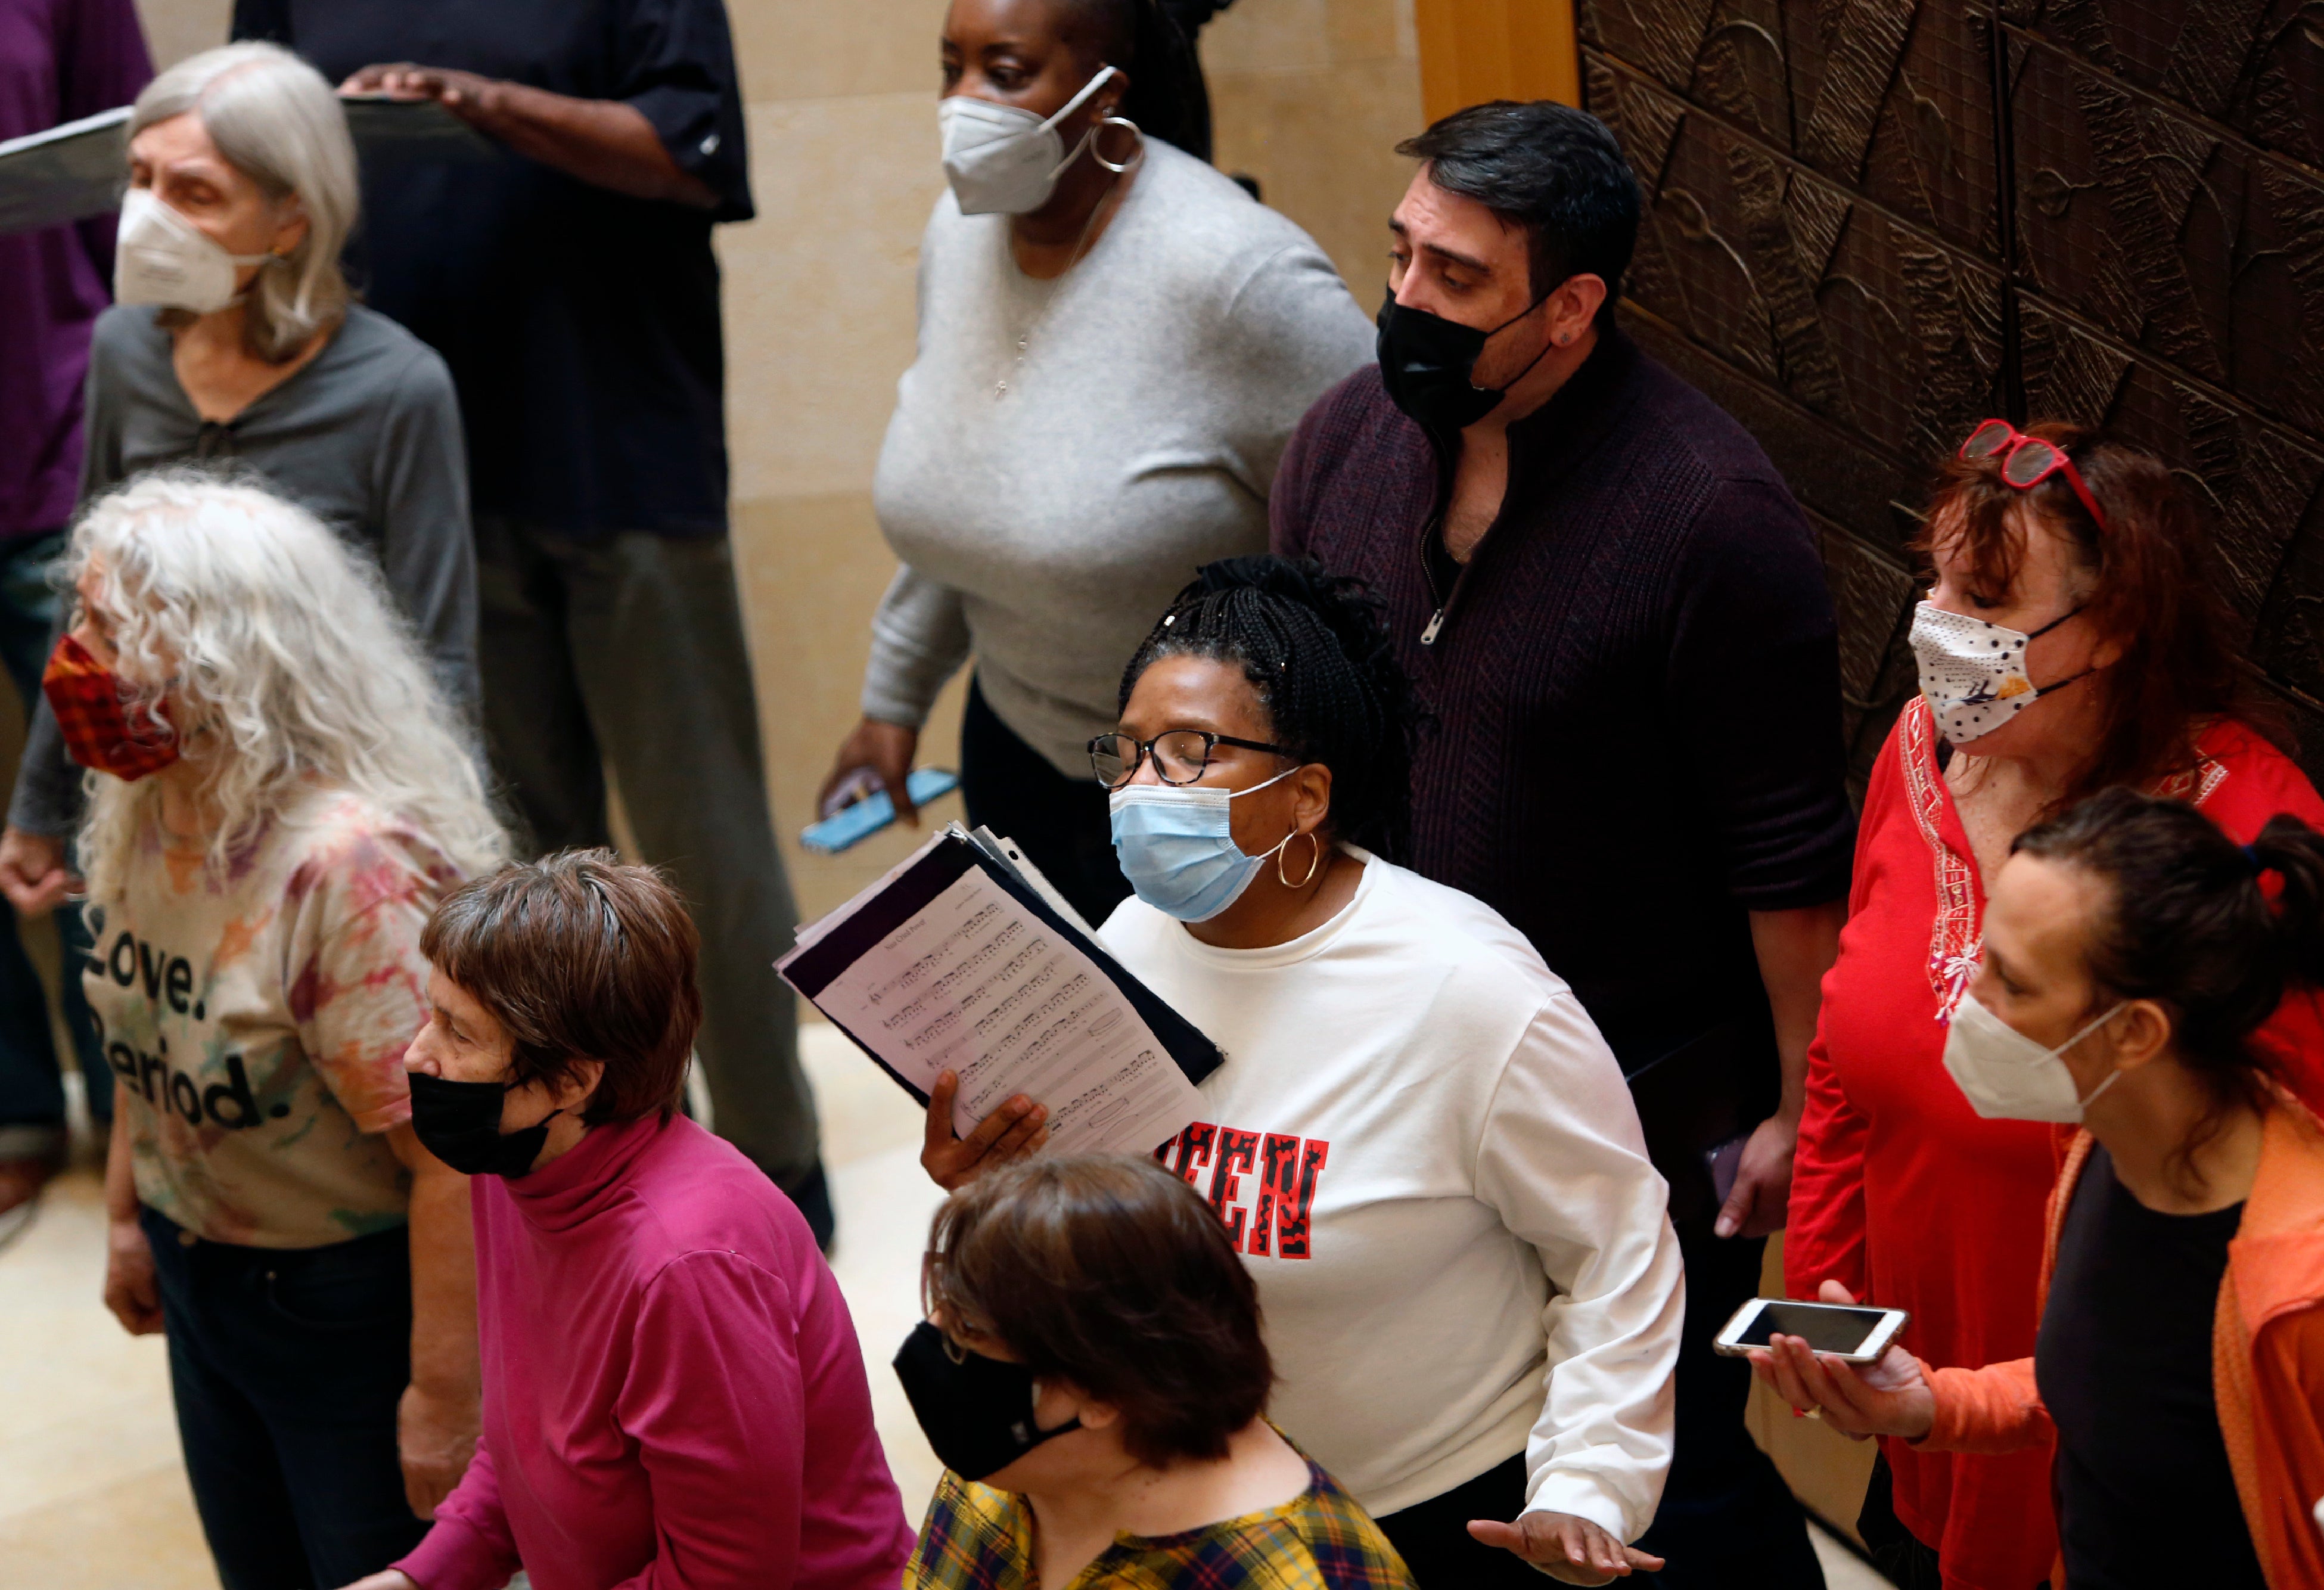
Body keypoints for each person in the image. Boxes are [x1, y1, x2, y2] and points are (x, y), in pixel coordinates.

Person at [1269, 101, 1853, 1586]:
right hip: (1399, 1061)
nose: (1404, 300)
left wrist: (1800, 1112)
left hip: (1636, 1089)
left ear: (1571, 307)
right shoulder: (1346, 440)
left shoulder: (1710, 517)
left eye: (1456, 279)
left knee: (1674, 1454)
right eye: (1400, 256)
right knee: (1477, 1435)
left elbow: (1784, 859)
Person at [927, 558, 1683, 1586]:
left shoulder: (1472, 994)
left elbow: (1618, 1250)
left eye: (1192, 752)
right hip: (1207, 1512)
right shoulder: (1132, 938)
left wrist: (1588, 1483)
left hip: (1440, 1515)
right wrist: (999, 1179)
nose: (1145, 789)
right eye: (1133, 753)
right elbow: (1115, 1227)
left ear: (1306, 797)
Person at [226, 0, 831, 1244]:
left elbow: (691, 151)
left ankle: (773, 1163)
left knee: (698, 841)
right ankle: (584, 1162)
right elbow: (264, 152)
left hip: (623, 450)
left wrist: (486, 111)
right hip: (432, 478)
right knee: (518, 859)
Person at [1784, 420, 2324, 1589]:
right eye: (1933, 575)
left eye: (1981, 593)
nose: (1935, 618)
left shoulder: (2242, 854)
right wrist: (1828, 1291)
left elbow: (2252, 1256)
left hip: (2144, 1486)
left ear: (2116, 623)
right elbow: (1846, 1044)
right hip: (1936, 1416)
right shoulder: (1924, 745)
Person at [818, 0, 1374, 928]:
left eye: (1003, 73)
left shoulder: (1240, 276)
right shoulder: (961, 234)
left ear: (1101, 96)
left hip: (1204, 800)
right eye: (950, 66)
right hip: (1016, 752)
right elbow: (970, 492)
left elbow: (1384, 528)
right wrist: (892, 701)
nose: (961, 103)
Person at [77, 473, 504, 1589]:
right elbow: (148, 1028)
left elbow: (452, 1156)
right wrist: (131, 1216)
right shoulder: (153, 802)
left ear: (220, 653)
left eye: (103, 626)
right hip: (201, 1260)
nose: (71, 658)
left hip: (338, 1299)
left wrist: (447, 1392)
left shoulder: (345, 867)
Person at [0, 40, 480, 1018]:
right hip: (157, 817)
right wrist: (39, 806)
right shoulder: (123, 351)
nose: (149, 214)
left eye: (196, 191)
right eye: (138, 178)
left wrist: (442, 868)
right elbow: (83, 605)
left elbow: (442, 660)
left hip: (332, 848)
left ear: (292, 214)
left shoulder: (399, 388)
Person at [1755, 788, 2324, 1589]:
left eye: (2012, 984)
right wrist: (1934, 1406)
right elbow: (2112, 1387)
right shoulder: (2099, 1146)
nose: (1965, 1002)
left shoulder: (2304, 1294)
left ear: (2134, 1033)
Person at [338, 852, 914, 1590]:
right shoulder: (521, 1165)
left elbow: (725, 1579)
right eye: (433, 1014)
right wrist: (419, 1578)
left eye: (459, 1032)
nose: (419, 1053)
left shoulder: (690, 1269)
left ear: (573, 1080)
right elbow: (530, 1441)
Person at [899, 1153, 1416, 1590]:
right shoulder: (1022, 1469)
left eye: (970, 1329)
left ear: (1102, 1389)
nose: (937, 1333)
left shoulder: (1286, 1573)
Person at [0, 0, 151, 1219]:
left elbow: (129, 162)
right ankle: (14, 1103)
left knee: (115, 800)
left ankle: (144, 1114)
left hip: (50, 439)